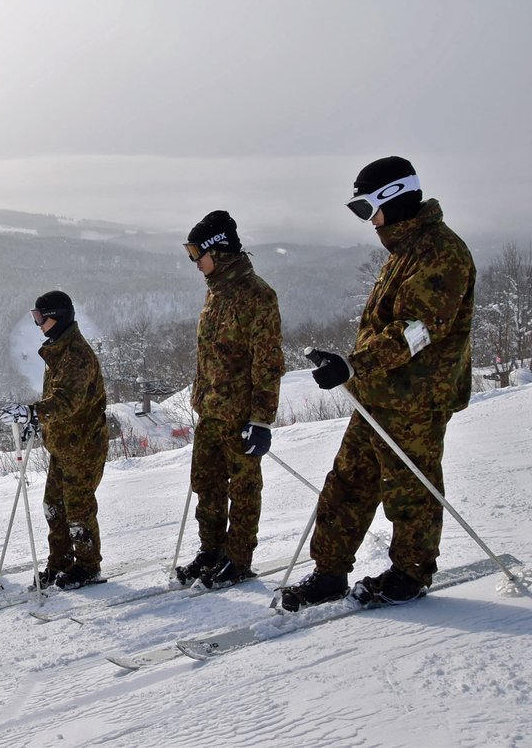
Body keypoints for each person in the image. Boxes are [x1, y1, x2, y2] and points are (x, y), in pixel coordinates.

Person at [279, 156, 476, 610]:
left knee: (410, 489)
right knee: (347, 483)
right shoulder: (404, 249)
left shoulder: (442, 253)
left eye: (367, 209)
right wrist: (355, 368)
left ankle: (410, 573)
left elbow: (417, 329)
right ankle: (328, 573)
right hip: (379, 395)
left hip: (416, 399)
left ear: (395, 197)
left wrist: (355, 365)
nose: (368, 222)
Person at [175, 211, 285, 589]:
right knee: (206, 484)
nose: (194, 262)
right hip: (210, 409)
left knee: (242, 488)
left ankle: (238, 558)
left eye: (196, 252)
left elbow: (268, 363)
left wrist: (262, 418)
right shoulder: (216, 292)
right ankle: (211, 550)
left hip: (240, 415)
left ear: (217, 251)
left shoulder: (257, 295)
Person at [1, 290, 108, 590]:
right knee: (54, 506)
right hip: (64, 445)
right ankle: (60, 562)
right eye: (34, 317)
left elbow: (66, 401)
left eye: (40, 318)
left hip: (83, 446)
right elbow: (56, 400)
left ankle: (87, 566)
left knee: (77, 507)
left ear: (58, 318)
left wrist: (33, 414)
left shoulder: (75, 355)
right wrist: (37, 422)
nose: (37, 324)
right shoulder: (59, 350)